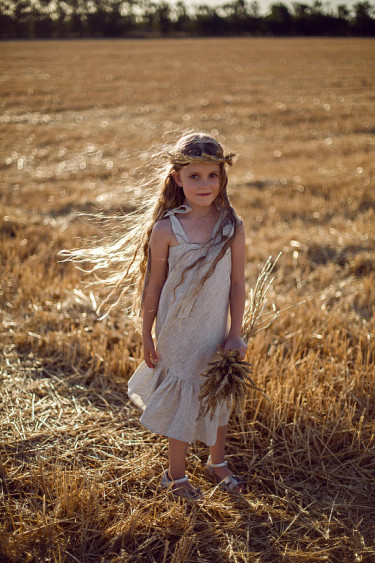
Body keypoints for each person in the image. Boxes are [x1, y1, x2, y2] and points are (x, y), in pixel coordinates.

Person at [127, 131, 247, 499]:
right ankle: (174, 475)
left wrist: (235, 332)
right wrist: (146, 335)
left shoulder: (232, 226)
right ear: (177, 178)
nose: (204, 184)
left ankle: (216, 462)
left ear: (222, 177)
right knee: (183, 399)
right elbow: (154, 286)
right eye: (194, 176)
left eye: (212, 175)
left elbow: (238, 283)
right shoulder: (166, 229)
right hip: (177, 332)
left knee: (218, 394)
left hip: (214, 332)